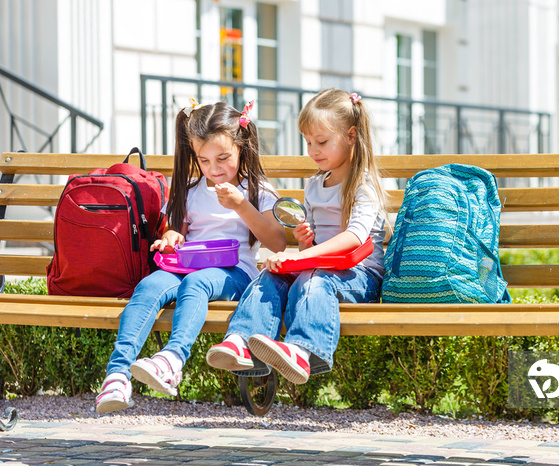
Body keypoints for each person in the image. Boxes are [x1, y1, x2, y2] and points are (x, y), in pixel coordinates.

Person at [95, 99, 286, 413]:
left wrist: (241, 205)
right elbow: (176, 231)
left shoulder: (257, 189)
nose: (214, 169)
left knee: (196, 283)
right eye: (204, 160)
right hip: (188, 264)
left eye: (223, 158)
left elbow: (277, 241)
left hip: (236, 271)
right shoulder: (191, 187)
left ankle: (171, 361)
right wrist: (171, 237)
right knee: (149, 287)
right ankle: (117, 375)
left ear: (242, 147)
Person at [206, 89, 388, 385]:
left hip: (360, 275)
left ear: (351, 136)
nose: (313, 150)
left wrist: (301, 256)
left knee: (314, 279)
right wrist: (305, 242)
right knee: (268, 278)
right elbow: (313, 245)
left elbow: (355, 237)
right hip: (319, 267)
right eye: (308, 142)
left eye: (322, 141)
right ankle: (242, 342)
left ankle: (303, 351)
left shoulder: (363, 183)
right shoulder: (316, 184)